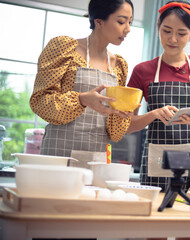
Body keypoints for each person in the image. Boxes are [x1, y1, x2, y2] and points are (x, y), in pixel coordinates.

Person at [127, 1, 190, 192]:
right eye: (166, 31)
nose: (173, 39)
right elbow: (128, 126)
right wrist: (154, 114)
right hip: (157, 161)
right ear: (158, 28)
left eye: (182, 33)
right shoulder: (142, 71)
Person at [30, 0, 134, 165]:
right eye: (121, 21)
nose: (128, 29)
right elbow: (40, 102)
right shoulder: (64, 49)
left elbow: (114, 134)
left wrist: (122, 114)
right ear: (98, 21)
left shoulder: (119, 65)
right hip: (58, 155)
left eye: (130, 22)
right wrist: (82, 99)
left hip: (97, 158)